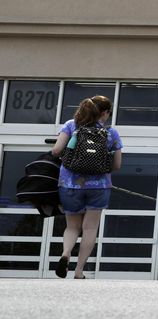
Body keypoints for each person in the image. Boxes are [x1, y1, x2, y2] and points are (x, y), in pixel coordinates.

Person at [50, 96, 123, 279]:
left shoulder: (71, 125)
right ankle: (79, 271)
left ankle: (66, 253)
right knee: (90, 228)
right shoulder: (111, 133)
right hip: (99, 187)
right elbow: (117, 165)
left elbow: (56, 151)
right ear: (105, 113)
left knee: (72, 226)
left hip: (70, 184)